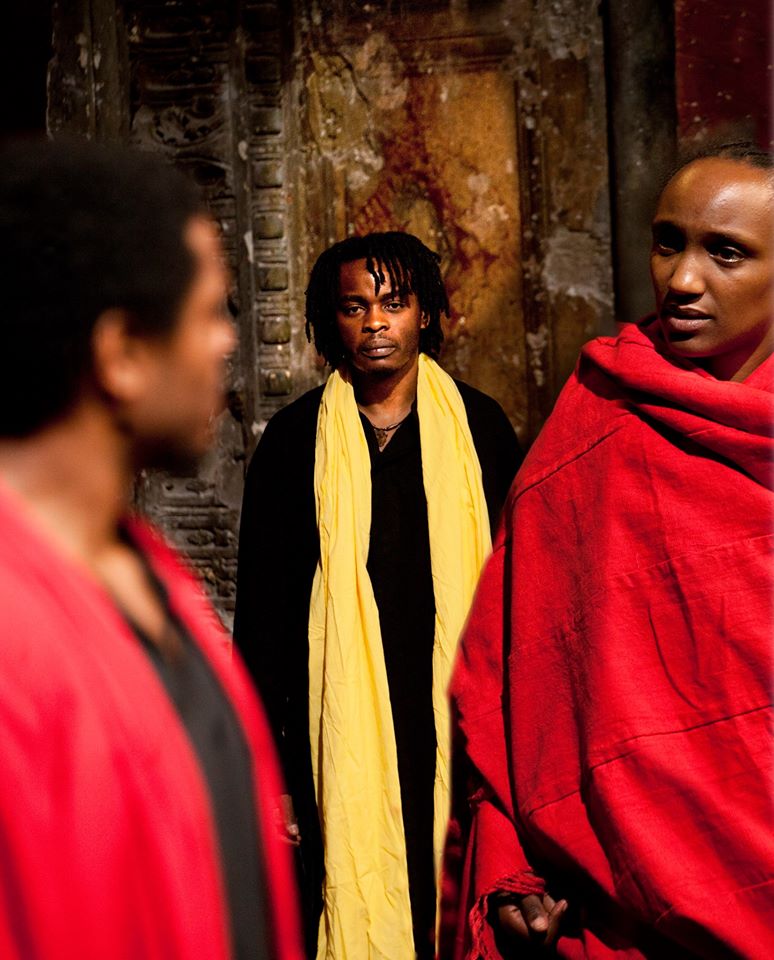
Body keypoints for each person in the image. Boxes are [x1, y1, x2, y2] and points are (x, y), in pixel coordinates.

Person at [442, 140, 774, 958]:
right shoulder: (600, 418)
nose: (682, 279)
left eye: (726, 252)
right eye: (668, 243)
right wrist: (509, 853)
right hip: (616, 898)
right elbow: (513, 668)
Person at [0, 138, 303, 960]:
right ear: (124, 353)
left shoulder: (151, 576)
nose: (227, 343)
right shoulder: (13, 632)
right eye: (208, 314)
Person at [234, 232, 522, 958]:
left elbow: (522, 596)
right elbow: (263, 620)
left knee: (457, 899)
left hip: (457, 720)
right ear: (329, 320)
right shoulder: (294, 442)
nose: (375, 323)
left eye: (393, 303)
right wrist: (270, 771)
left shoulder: (480, 428)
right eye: (354, 307)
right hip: (334, 728)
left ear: (425, 313)